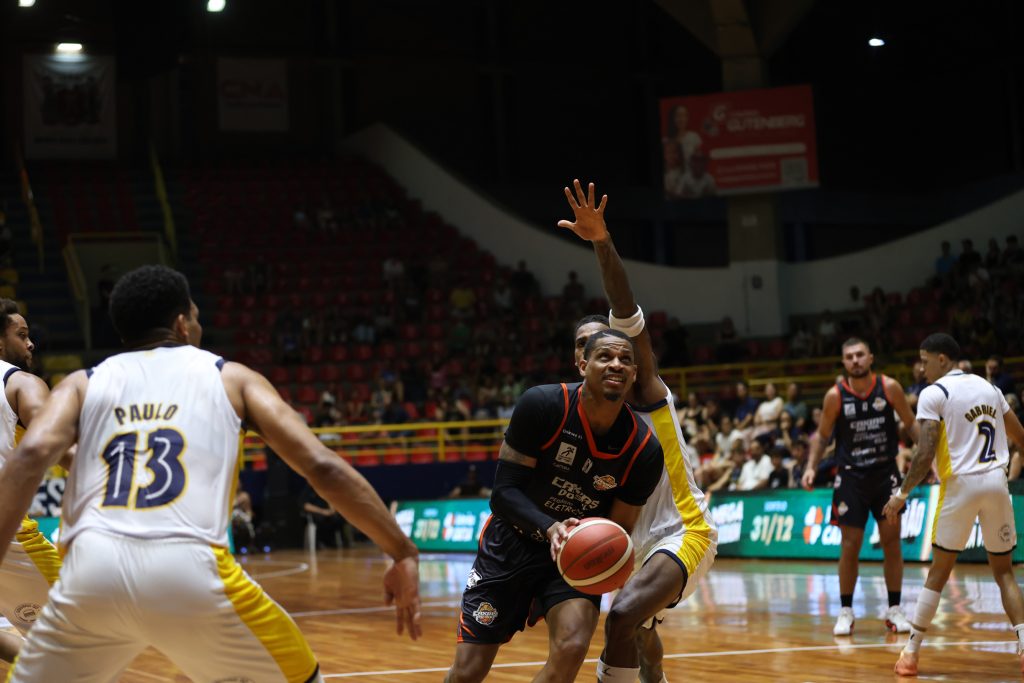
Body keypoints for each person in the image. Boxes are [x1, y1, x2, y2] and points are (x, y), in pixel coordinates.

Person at [0, 266, 422, 682]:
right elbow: (322, 466)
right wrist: (401, 551)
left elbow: (32, 453)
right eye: (197, 317)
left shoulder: (81, 383)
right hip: (188, 568)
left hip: (91, 574)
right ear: (183, 324)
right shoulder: (230, 377)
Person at [558, 179, 717, 683]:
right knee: (642, 633)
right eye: (591, 347)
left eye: (615, 347)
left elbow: (625, 307)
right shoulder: (571, 419)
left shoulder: (644, 389)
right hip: (628, 541)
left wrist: (601, 242)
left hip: (684, 531)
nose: (610, 356)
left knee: (622, 616)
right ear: (579, 361)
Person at [446, 328, 664, 683]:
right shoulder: (543, 405)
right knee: (467, 673)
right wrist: (550, 528)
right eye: (605, 356)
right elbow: (503, 493)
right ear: (583, 364)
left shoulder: (644, 450)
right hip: (511, 544)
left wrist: (610, 559)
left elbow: (620, 528)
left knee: (572, 647)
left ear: (635, 374)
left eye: (626, 359)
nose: (617, 364)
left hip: (575, 558)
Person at [883, 334, 1024, 676]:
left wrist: (901, 494)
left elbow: (925, 452)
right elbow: (1020, 435)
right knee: (1004, 573)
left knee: (939, 573)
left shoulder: (935, 393)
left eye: (925, 360)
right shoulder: (989, 388)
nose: (922, 368)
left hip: (960, 485)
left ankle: (910, 654)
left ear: (942, 359)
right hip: (996, 481)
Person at [801, 337, 918, 636]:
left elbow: (911, 424)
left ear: (871, 357)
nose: (855, 360)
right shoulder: (835, 396)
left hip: (885, 474)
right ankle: (846, 611)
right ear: (844, 362)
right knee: (850, 545)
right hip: (851, 478)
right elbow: (822, 436)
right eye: (850, 356)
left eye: (860, 355)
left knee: (891, 542)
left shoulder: (889, 387)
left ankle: (894, 609)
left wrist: (929, 457)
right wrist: (811, 467)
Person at [0, 299, 63, 663]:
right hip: (9, 537)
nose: (30, 343)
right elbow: (56, 441)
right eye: (21, 335)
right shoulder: (20, 382)